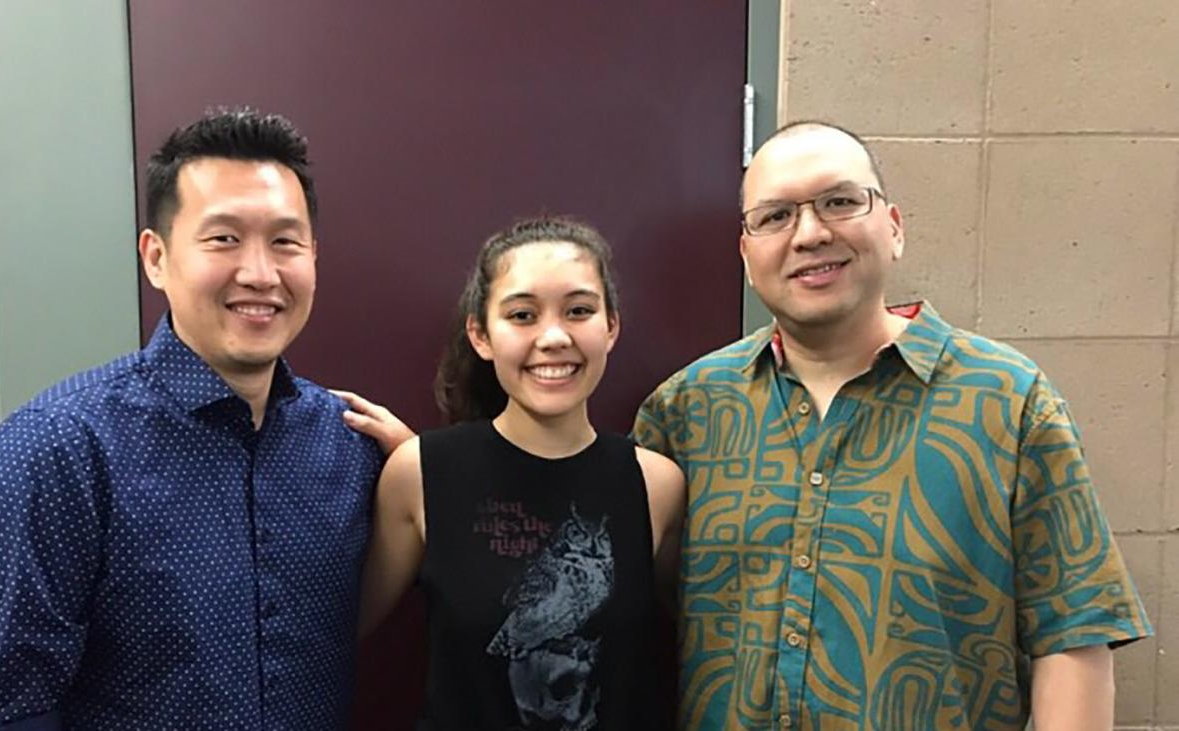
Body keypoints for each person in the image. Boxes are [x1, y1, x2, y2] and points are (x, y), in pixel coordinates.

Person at [632, 121, 1153, 731]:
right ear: (747, 256)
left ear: (895, 228)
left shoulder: (1008, 402)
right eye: (774, 217)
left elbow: (1074, 636)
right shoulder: (687, 412)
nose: (811, 233)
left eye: (840, 202)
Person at [0, 108, 410, 730]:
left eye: (286, 242)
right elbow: (1, 715)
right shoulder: (55, 452)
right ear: (156, 257)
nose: (261, 273)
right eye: (223, 238)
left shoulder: (347, 447)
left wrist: (418, 467)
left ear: (314, 257)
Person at [352, 215, 685, 730]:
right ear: (481, 334)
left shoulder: (657, 485)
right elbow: (329, 636)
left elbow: (706, 645)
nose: (553, 337)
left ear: (611, 327)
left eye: (578, 310)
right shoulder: (419, 473)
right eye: (523, 314)